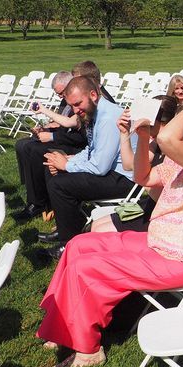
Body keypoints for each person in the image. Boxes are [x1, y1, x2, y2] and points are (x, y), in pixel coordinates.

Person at [37, 97, 183, 367]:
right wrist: (142, 138)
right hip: (163, 242)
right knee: (79, 245)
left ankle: (89, 351)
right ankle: (61, 321)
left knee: (88, 267)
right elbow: (142, 177)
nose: (169, 137)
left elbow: (167, 138)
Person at [39, 76, 136, 258]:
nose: (76, 110)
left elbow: (100, 167)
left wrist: (67, 165)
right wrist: (69, 160)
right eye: (72, 106)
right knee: (53, 169)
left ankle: (70, 243)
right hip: (109, 172)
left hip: (124, 179)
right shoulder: (96, 112)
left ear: (93, 95)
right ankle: (66, 228)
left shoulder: (108, 118)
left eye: (77, 104)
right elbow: (91, 150)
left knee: (59, 184)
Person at [90, 95, 178, 234]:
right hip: (152, 205)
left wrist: (144, 178)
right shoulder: (156, 142)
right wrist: (124, 132)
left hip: (163, 212)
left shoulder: (173, 146)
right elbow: (128, 165)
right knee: (96, 225)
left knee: (100, 230)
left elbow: (153, 187)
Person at [13, 71, 87, 222]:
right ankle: (32, 190)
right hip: (64, 138)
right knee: (22, 144)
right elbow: (62, 124)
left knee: (34, 149)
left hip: (76, 145)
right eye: (58, 94)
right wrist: (46, 129)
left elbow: (78, 136)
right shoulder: (65, 101)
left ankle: (38, 202)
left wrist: (52, 136)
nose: (60, 97)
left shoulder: (78, 103)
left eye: (61, 93)